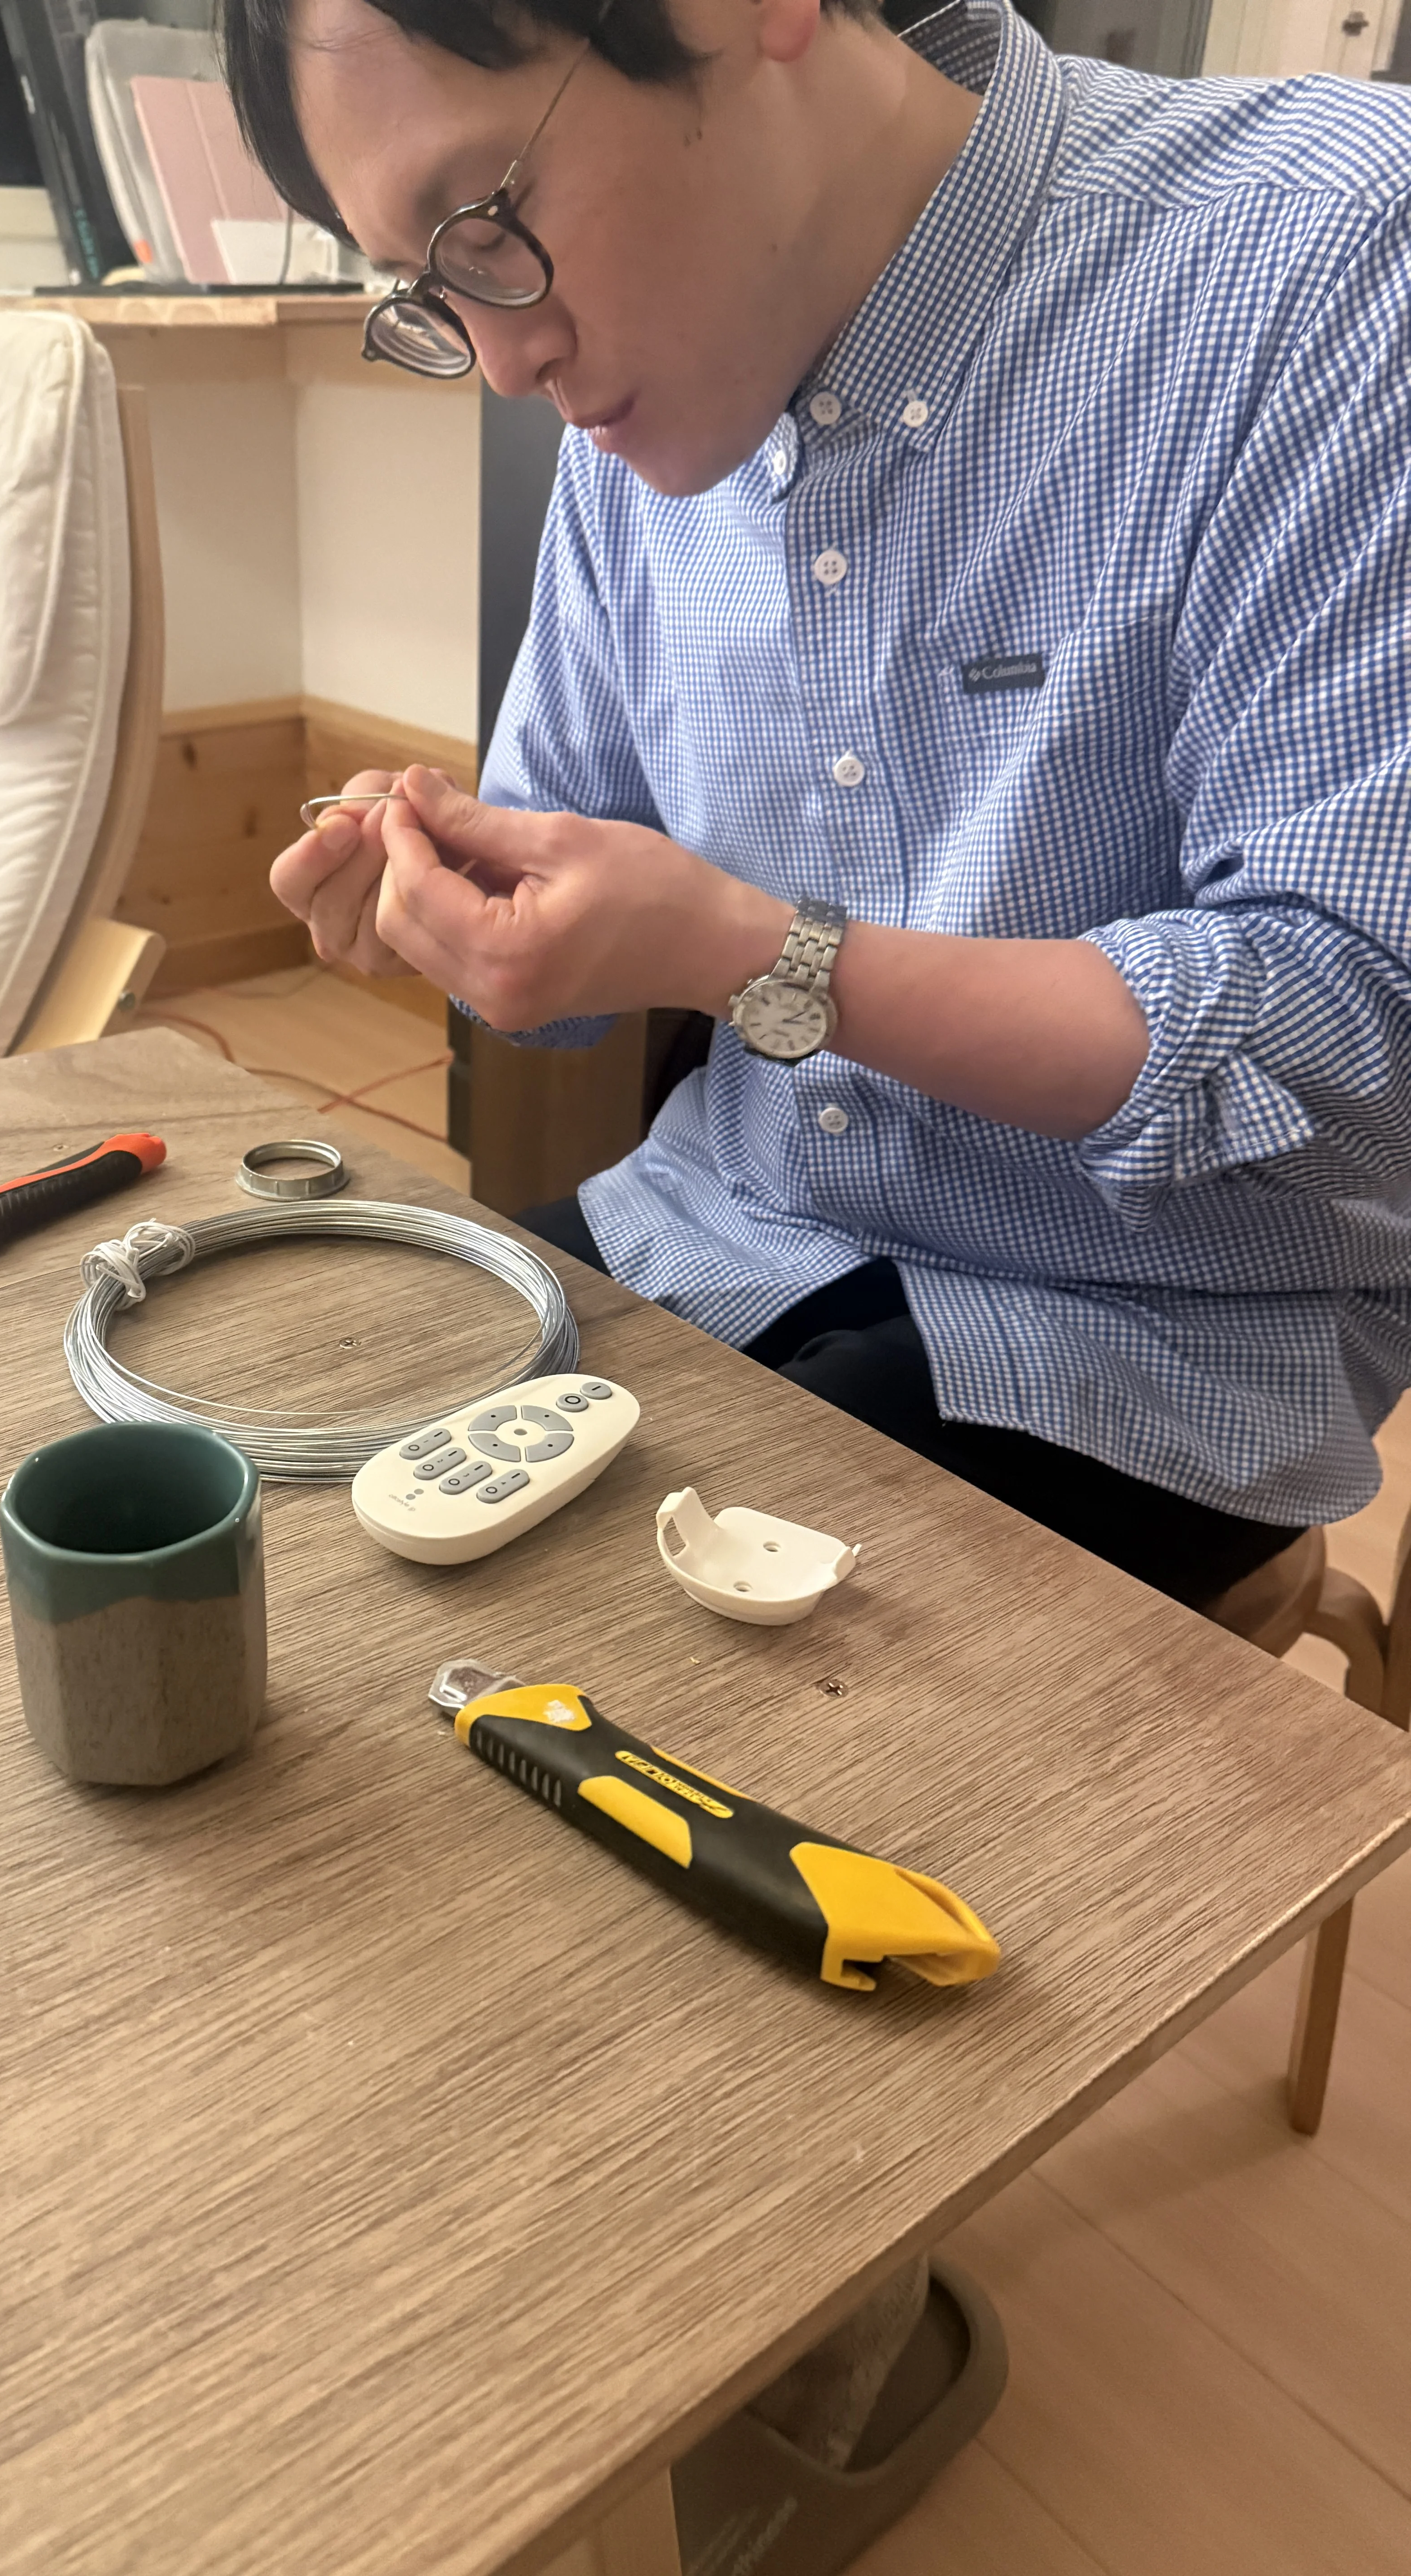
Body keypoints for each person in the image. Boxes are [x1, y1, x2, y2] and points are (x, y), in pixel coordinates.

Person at [225, 0, 1411, 1612]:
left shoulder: (1324, 256)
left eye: (483, 224)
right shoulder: (622, 414)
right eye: (425, 290)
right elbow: (570, 981)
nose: (502, 361)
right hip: (720, 1219)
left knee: (572, 1660)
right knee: (279, 1466)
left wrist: (754, 956)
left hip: (1147, 1333)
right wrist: (452, 903)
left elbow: (1357, 1041)